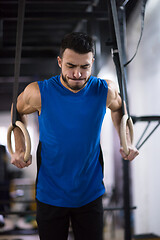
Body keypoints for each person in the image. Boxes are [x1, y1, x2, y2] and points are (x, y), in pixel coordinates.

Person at [10, 32, 139, 240]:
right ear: (60, 62)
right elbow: (18, 111)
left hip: (90, 193)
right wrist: (20, 148)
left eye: (84, 67)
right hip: (50, 194)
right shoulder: (39, 93)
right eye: (71, 66)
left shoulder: (105, 90)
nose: (77, 74)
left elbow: (119, 109)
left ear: (92, 63)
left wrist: (127, 141)